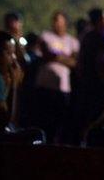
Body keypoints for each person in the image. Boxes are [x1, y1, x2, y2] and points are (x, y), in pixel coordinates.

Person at [33, 11, 79, 143]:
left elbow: (75, 62)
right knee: (44, 121)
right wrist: (65, 58)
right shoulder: (46, 36)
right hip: (44, 86)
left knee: (60, 121)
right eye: (54, 20)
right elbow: (46, 54)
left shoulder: (72, 41)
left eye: (58, 20)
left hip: (63, 88)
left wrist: (57, 57)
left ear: (65, 22)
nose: (55, 23)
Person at [74, 8, 104, 137]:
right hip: (96, 84)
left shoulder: (86, 36)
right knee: (96, 117)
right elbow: (100, 61)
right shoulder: (99, 36)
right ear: (100, 20)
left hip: (87, 83)